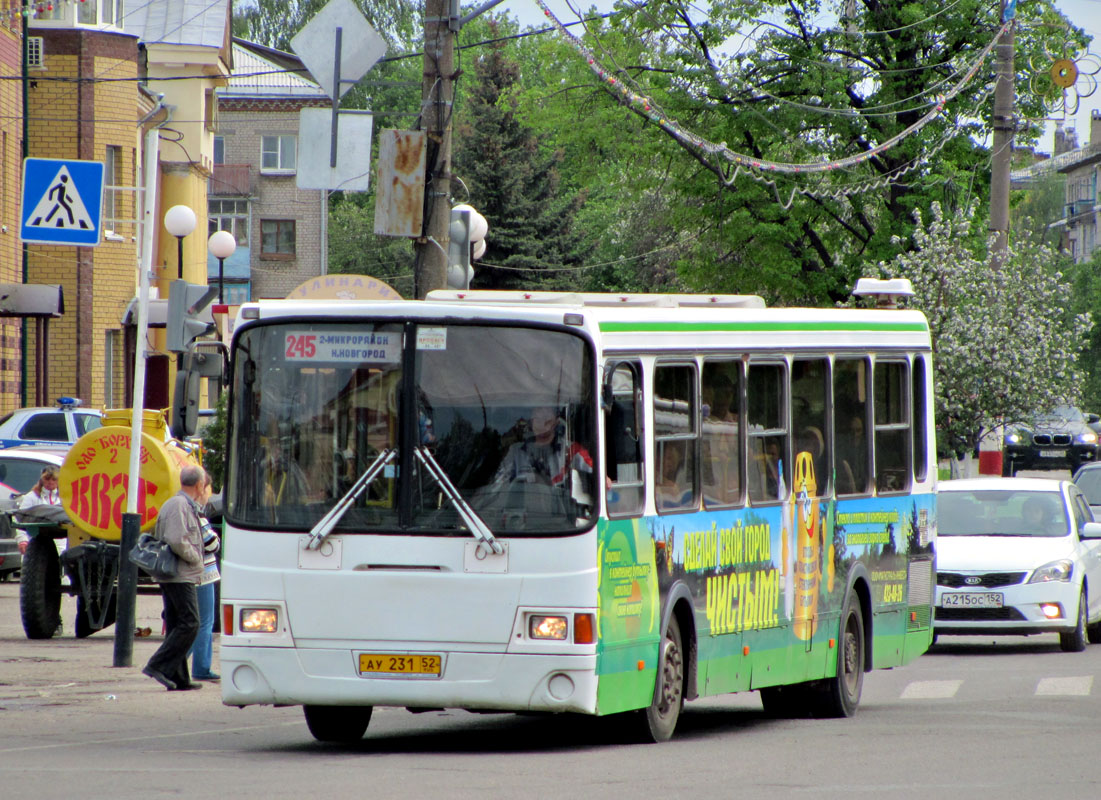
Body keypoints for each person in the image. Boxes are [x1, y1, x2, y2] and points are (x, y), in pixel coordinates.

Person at [143, 465, 206, 692]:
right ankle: (158, 665)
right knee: (191, 623)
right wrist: (196, 558)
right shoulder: (179, 505)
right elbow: (177, 539)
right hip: (180, 574)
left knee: (177, 623)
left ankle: (179, 678)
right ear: (199, 485)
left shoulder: (180, 504)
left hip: (176, 573)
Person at [188, 473, 221, 682]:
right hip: (204, 574)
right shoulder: (197, 514)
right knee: (204, 622)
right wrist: (216, 539)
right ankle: (200, 666)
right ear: (202, 488)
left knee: (194, 622)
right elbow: (212, 543)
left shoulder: (184, 509)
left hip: (194, 574)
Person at [14, 466, 61, 555]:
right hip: (35, 543)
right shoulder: (31, 497)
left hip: (60, 544)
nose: (50, 482)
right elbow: (20, 519)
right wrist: (22, 540)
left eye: (54, 479)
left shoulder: (65, 498)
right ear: (42, 480)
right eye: (47, 479)